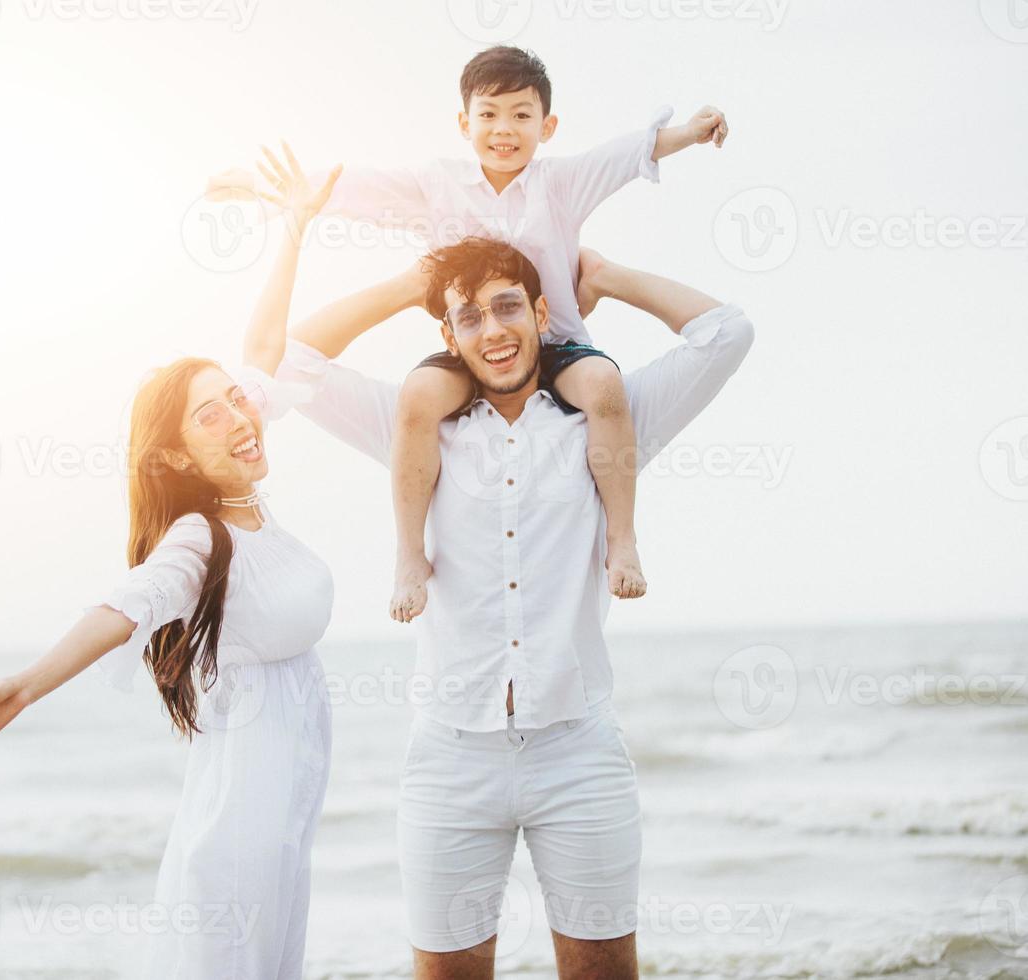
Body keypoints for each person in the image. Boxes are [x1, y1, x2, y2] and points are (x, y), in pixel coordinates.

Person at [0, 146, 343, 980]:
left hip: (282, 821)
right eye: (209, 416)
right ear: (180, 457)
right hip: (239, 845)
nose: (240, 417)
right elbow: (127, 606)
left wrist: (294, 227)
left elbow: (273, 342)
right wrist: (30, 683)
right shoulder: (198, 537)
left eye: (238, 400)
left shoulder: (246, 493)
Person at [276, 237, 754, 979]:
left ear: (539, 313)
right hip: (449, 759)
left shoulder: (604, 421)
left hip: (579, 752)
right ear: (448, 335)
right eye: (468, 317)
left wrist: (606, 277)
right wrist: (410, 287)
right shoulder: (415, 427)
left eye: (507, 308)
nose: (492, 331)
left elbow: (727, 333)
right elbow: (289, 359)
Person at [214, 45, 729, 620]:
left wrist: (690, 132)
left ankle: (623, 540)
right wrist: (261, 186)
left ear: (547, 125)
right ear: (465, 123)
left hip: (557, 345)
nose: (503, 130)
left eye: (520, 115)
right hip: (468, 354)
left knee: (606, 387)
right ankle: (410, 555)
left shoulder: (559, 183)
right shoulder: (439, 186)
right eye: (488, 114)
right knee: (415, 400)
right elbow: (356, 188)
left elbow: (623, 155)